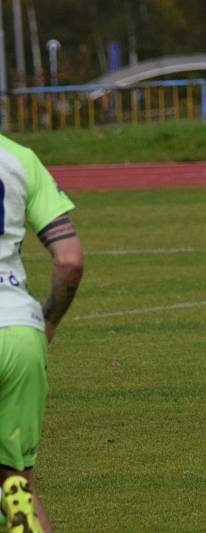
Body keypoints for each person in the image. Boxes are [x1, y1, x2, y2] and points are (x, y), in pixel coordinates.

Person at [0, 134, 84, 533]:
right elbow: (69, 261)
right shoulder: (19, 158)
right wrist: (46, 322)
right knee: (17, 482)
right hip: (19, 331)